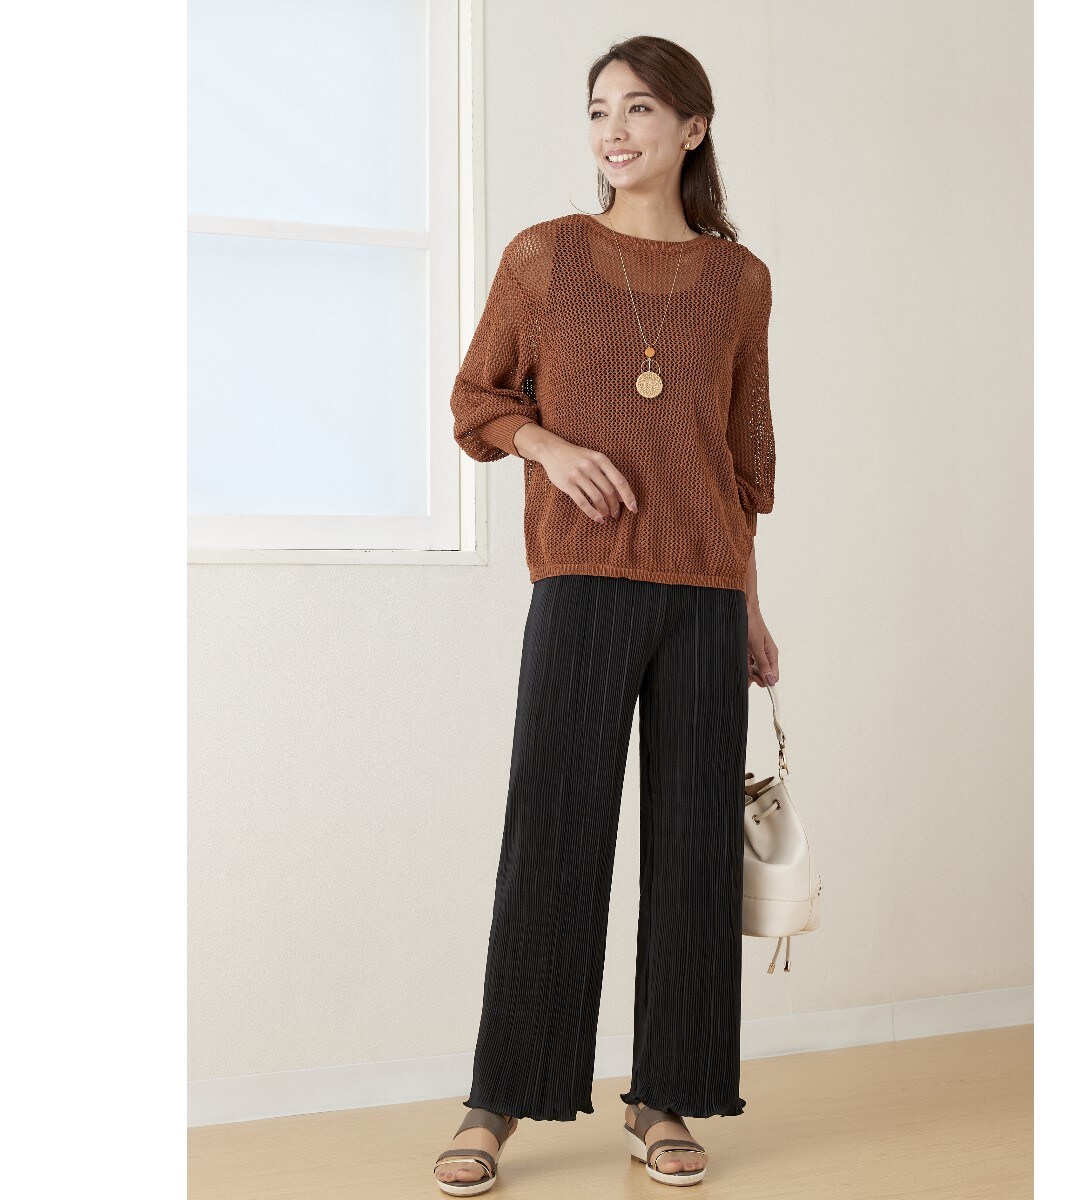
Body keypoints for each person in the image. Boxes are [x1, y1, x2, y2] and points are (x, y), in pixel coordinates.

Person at [433, 35, 780, 1194]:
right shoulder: (546, 257)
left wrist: (751, 605)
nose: (613, 131)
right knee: (555, 839)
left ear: (693, 128)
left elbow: (740, 462)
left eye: (638, 109)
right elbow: (477, 396)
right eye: (598, 111)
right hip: (583, 581)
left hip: (707, 593)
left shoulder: (741, 281)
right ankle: (499, 1098)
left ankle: (664, 1097)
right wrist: (547, 444)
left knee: (693, 854)